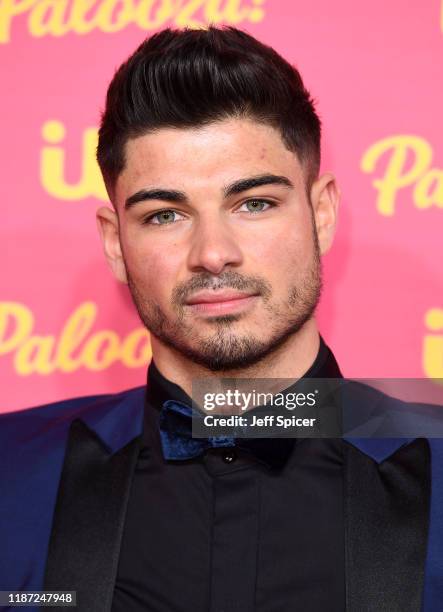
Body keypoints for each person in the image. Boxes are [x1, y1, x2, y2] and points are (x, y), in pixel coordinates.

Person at [0, 26, 442, 612]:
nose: (212, 252)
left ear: (322, 213)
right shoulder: (10, 472)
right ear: (114, 242)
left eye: (254, 204)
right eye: (164, 215)